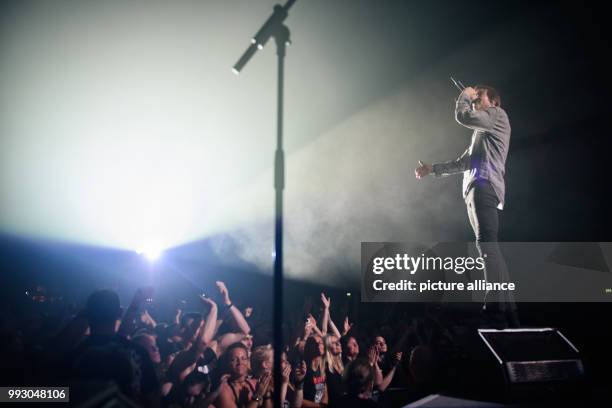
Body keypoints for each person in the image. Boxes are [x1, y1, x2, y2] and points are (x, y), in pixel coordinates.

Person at [415, 85, 518, 326]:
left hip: (484, 188)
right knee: (489, 246)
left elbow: (463, 116)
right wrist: (433, 169)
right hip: (476, 190)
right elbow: (463, 163)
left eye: (479, 94)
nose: (475, 97)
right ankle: (506, 305)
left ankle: (494, 304)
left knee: (486, 244)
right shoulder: (482, 132)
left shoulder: (496, 115)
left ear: (492, 101)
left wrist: (464, 96)